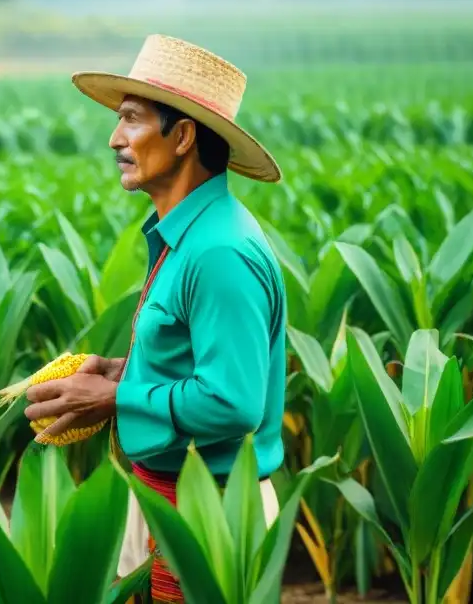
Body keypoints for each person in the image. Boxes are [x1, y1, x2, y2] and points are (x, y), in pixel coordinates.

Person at [23, 34, 287, 603]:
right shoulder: (184, 237)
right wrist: (123, 371)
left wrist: (115, 399)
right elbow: (194, 360)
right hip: (169, 499)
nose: (115, 139)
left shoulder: (219, 253)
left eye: (132, 120)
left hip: (210, 510)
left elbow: (234, 401)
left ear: (184, 135)